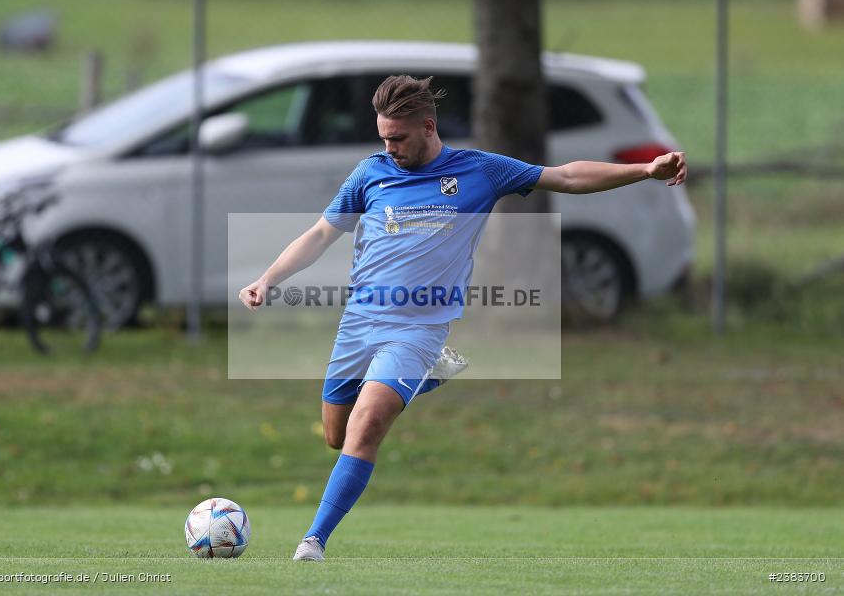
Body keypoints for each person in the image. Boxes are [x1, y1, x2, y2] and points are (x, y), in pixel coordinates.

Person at [238, 75, 686, 562]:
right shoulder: (370, 174)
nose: (389, 148)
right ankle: (427, 377)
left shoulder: (480, 171)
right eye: (383, 137)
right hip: (359, 323)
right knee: (337, 436)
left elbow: (566, 177)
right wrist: (268, 279)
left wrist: (644, 170)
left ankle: (313, 541)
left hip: (418, 329)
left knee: (366, 427)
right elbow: (321, 234)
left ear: (428, 127)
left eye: (398, 138)